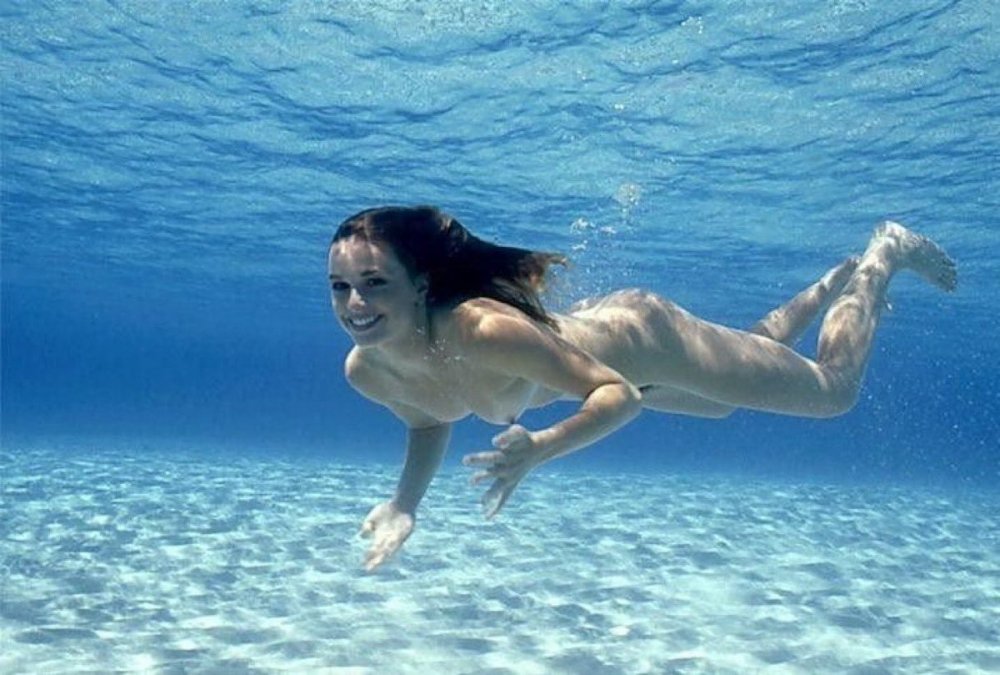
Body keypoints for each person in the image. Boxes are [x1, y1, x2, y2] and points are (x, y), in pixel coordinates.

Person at [327, 205, 956, 571]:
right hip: (621, 348)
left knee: (833, 391)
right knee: (725, 399)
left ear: (421, 285)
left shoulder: (483, 331)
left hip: (648, 342)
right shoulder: (368, 370)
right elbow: (428, 419)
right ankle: (827, 287)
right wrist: (405, 504)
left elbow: (616, 396)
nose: (355, 304)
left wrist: (541, 448)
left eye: (375, 283)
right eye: (340, 287)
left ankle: (883, 254)